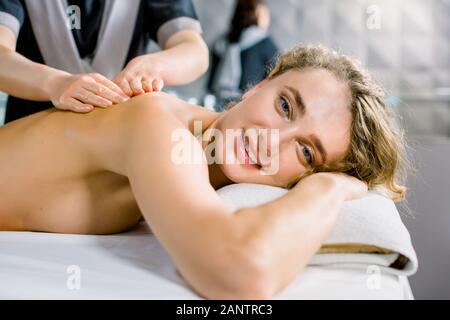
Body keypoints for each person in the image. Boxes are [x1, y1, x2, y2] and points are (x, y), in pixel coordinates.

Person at [0, 45, 407, 299]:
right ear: (257, 86)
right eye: (285, 106)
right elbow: (239, 275)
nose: (273, 139)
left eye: (305, 151)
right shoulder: (159, 126)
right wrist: (326, 190)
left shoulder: (198, 157)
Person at [0, 0, 208, 123]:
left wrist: (154, 65)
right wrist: (55, 84)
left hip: (118, 142)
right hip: (29, 135)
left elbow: (194, 50)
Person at [207, 0, 278, 108]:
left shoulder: (222, 41)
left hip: (215, 103)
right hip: (245, 106)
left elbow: (211, 84)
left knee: (198, 125)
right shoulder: (264, 41)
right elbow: (279, 75)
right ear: (258, 14)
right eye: (265, 14)